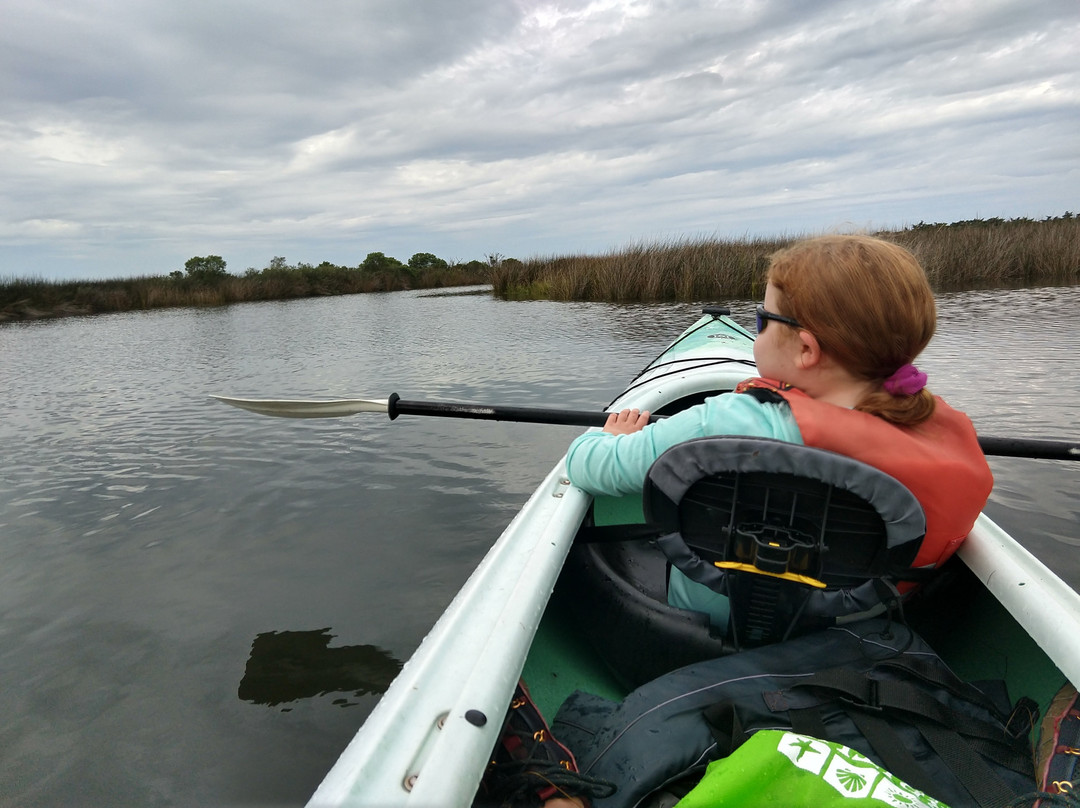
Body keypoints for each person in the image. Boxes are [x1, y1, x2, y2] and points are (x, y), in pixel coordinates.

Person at [565, 234, 994, 625]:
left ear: (806, 348)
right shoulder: (943, 435)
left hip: (710, 620)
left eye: (761, 319)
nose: (758, 329)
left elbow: (587, 467)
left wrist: (609, 437)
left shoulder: (728, 422)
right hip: (852, 627)